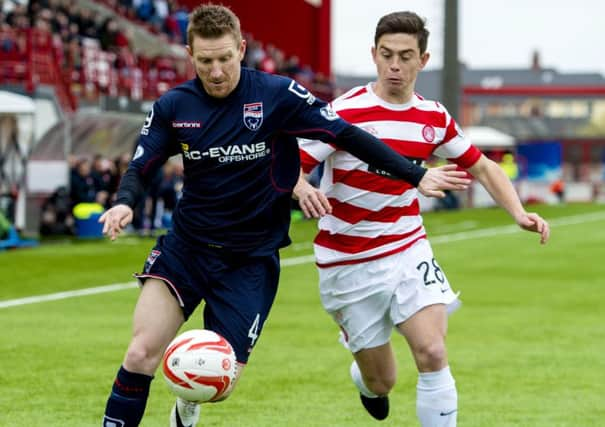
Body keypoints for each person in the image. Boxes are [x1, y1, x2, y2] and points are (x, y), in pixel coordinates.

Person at [98, 5, 471, 427]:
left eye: (225, 58)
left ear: (241, 49)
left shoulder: (278, 95)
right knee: (140, 353)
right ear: (189, 55)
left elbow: (347, 134)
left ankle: (189, 400)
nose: (217, 71)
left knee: (222, 380)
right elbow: (142, 164)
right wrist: (126, 200)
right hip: (186, 249)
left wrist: (415, 174)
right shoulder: (173, 106)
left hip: (249, 261)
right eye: (205, 61)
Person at [294, 11, 550, 426]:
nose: (395, 66)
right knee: (382, 381)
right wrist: (302, 185)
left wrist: (519, 212)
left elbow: (483, 166)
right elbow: (290, 164)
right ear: (374, 56)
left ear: (423, 60)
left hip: (406, 246)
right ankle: (365, 379)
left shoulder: (432, 117)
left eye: (406, 56)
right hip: (348, 260)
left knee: (432, 351)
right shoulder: (343, 112)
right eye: (387, 55)